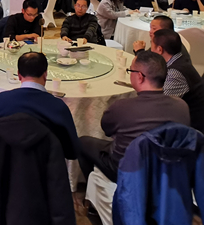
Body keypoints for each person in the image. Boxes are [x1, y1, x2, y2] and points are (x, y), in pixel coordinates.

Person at [77, 51, 190, 183]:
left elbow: (107, 130)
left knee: (82, 143)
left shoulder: (122, 107)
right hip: (166, 169)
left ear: (140, 77)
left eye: (130, 71)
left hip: (126, 170)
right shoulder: (182, 106)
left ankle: (89, 187)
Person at [0, 52, 81, 159]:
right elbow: (72, 152)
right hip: (47, 167)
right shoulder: (58, 108)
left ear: (19, 75)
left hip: (4, 164)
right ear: (45, 75)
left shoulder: (0, 101)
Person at [151, 30, 204, 134]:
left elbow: (159, 104)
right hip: (182, 120)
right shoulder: (179, 60)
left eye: (152, 45)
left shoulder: (175, 73)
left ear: (159, 49)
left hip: (190, 132)